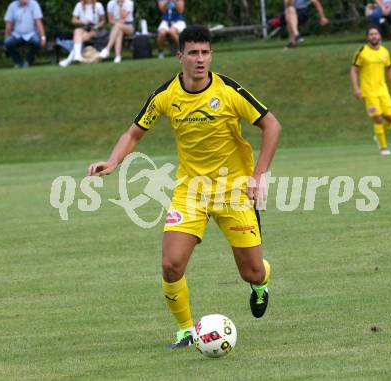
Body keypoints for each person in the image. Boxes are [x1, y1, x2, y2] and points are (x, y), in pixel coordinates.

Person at [88, 26, 281, 349]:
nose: (200, 59)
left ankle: (261, 283)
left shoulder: (229, 92)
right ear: (180, 57)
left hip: (234, 193)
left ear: (211, 55)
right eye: (193, 53)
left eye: (205, 52)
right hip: (190, 193)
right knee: (171, 263)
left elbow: (271, 125)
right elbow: (134, 133)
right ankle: (185, 330)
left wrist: (258, 175)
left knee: (252, 272)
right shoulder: (166, 96)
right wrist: (113, 162)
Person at [350, 26, 391, 156]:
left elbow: (389, 70)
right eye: (371, 34)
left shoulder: (385, 52)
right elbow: (354, 70)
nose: (374, 36)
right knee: (377, 118)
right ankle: (383, 147)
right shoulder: (361, 51)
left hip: (383, 91)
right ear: (367, 37)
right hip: (368, 92)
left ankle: (379, 135)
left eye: (376, 34)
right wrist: (356, 88)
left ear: (380, 36)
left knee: (390, 118)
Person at [59, 0, 106, 67]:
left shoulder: (98, 5)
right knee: (77, 31)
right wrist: (82, 21)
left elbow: (103, 20)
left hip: (95, 29)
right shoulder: (79, 5)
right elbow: (73, 20)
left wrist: (96, 26)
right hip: (84, 27)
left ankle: (69, 59)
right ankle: (77, 56)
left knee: (80, 38)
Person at [3, 0, 46, 68]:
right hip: (17, 35)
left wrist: (43, 37)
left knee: (37, 41)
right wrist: (6, 38)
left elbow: (39, 22)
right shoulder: (12, 6)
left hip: (31, 34)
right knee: (8, 42)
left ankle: (28, 61)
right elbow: (9, 24)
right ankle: (19, 62)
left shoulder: (34, 4)